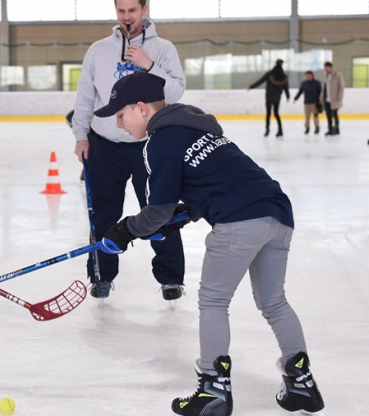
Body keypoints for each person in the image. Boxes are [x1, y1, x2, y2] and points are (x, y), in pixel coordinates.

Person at [96, 72, 325, 416]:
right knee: (274, 301)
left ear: (141, 109)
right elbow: (217, 178)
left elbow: (156, 210)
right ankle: (302, 384)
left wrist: (126, 229)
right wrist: (187, 212)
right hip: (276, 212)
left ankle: (213, 388)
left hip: (238, 219)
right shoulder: (196, 128)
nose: (119, 124)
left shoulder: (159, 142)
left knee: (214, 301)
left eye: (120, 115)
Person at [71, 0, 187, 301]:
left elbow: (175, 91)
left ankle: (171, 278)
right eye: (121, 11)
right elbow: (85, 96)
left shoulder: (163, 49)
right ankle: (101, 275)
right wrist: (81, 135)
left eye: (132, 11)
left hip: (150, 144)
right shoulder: (98, 50)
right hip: (105, 146)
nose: (126, 17)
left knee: (160, 210)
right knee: (104, 215)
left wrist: (149, 65)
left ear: (144, 9)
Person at [248, 59, 290, 138]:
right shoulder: (283, 76)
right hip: (277, 97)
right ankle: (280, 130)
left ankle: (267, 131)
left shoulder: (270, 74)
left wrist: (251, 87)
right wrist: (288, 95)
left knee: (268, 114)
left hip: (269, 96)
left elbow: (260, 81)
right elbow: (285, 86)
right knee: (276, 113)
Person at [294, 70, 322, 135]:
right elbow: (300, 91)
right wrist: (296, 98)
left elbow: (320, 92)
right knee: (307, 117)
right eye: (307, 76)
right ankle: (307, 128)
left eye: (309, 75)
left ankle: (317, 127)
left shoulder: (317, 83)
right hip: (306, 103)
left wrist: (320, 101)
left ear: (312, 76)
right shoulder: (304, 83)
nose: (308, 77)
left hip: (315, 103)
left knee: (315, 116)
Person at [322, 61, 345, 136]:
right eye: (325, 68)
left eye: (327, 68)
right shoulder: (326, 76)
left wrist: (340, 96)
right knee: (328, 114)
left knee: (334, 114)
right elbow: (324, 87)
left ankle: (336, 128)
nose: (326, 70)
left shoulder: (337, 75)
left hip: (334, 98)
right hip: (327, 98)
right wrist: (321, 96)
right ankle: (330, 128)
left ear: (330, 67)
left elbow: (341, 86)